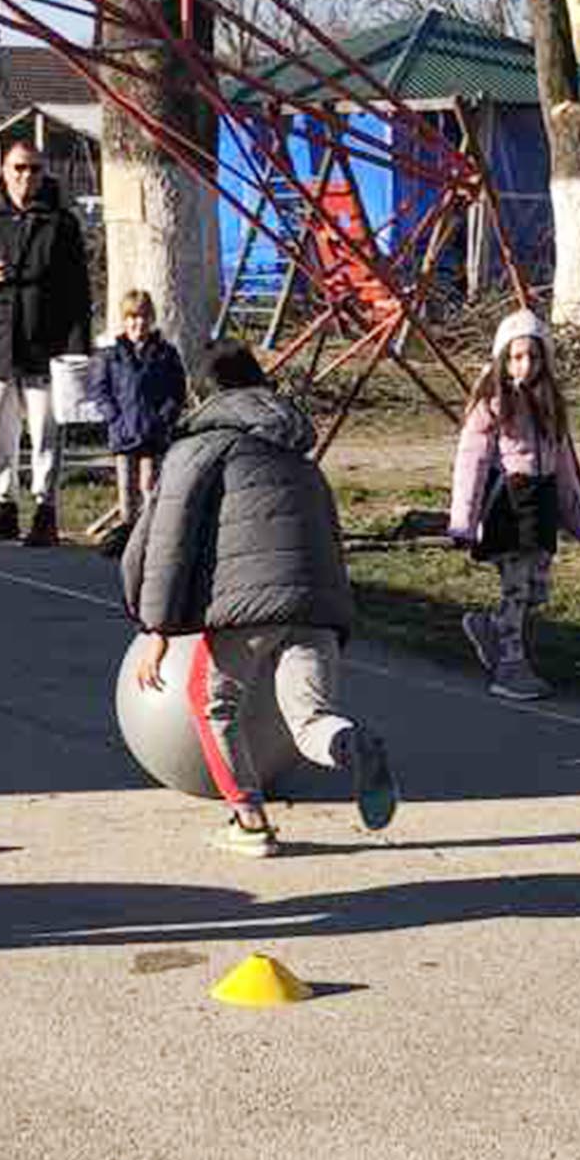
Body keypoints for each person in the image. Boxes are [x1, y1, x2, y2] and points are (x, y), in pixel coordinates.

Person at [122, 341, 397, 858]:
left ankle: (249, 821)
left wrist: (155, 626)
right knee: (310, 717)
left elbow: (165, 539)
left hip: (246, 609)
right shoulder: (296, 452)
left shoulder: (200, 448)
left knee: (213, 704)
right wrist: (336, 618)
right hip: (315, 606)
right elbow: (331, 538)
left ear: (203, 395)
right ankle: (350, 743)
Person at [447, 309, 580, 701]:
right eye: (516, 357)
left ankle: (490, 628)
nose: (525, 365)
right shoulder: (493, 403)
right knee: (516, 588)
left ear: (545, 358)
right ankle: (510, 666)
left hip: (542, 506)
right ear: (503, 359)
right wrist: (463, 520)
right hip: (510, 504)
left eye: (533, 356)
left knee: (537, 590)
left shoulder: (550, 404)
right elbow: (472, 461)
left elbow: (565, 465)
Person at [0, 140, 92, 547]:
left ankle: (45, 511)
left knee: (46, 432)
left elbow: (78, 291)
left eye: (33, 168)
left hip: (46, 342)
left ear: (43, 172)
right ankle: (3, 508)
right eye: (18, 168)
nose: (26, 176)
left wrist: (78, 349)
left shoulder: (61, 223)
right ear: (4, 170)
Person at [85, 289, 187, 557]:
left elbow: (177, 391)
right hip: (123, 432)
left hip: (153, 433)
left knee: (149, 485)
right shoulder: (111, 355)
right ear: (124, 320)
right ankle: (127, 534)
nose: (137, 323)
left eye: (143, 317)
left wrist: (164, 418)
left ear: (151, 319)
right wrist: (114, 417)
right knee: (126, 489)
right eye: (131, 317)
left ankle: (151, 534)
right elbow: (100, 391)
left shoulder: (165, 353)